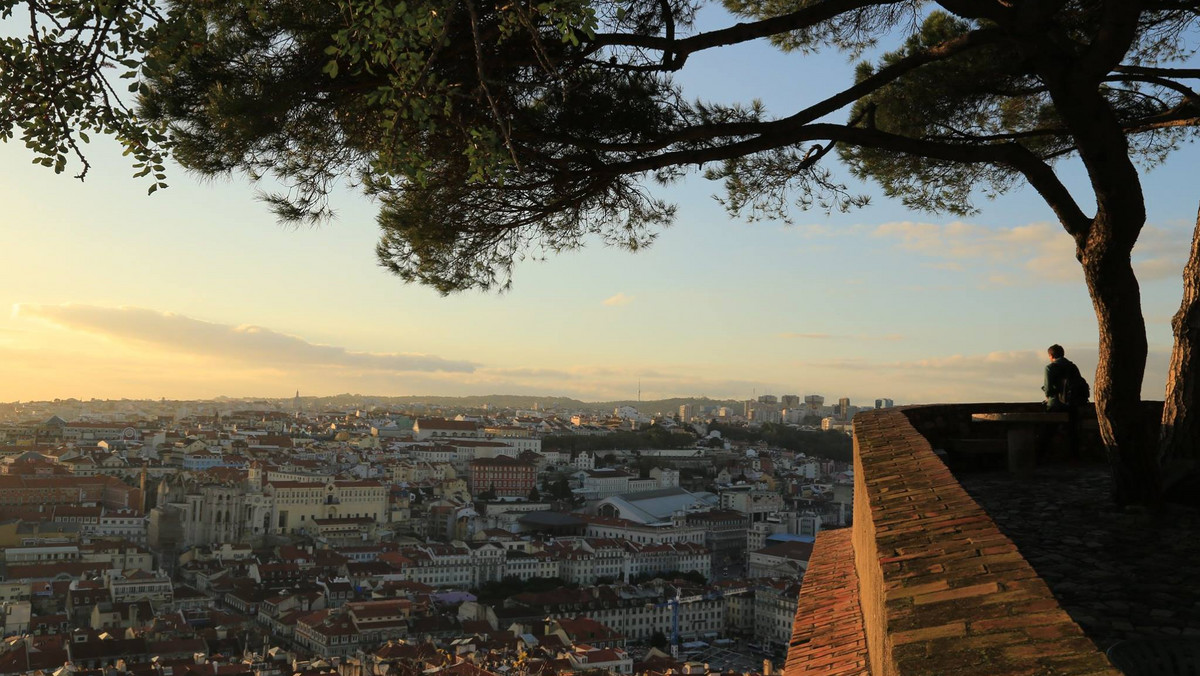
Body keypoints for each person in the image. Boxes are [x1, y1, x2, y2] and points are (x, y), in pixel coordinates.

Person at [1040, 344, 1083, 458]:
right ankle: (1075, 457)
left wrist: (1048, 395)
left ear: (1051, 355)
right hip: (1072, 403)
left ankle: (1040, 456)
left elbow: (1048, 390)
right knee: (1073, 432)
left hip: (1056, 404)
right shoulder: (1072, 367)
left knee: (1047, 431)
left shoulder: (1050, 368)